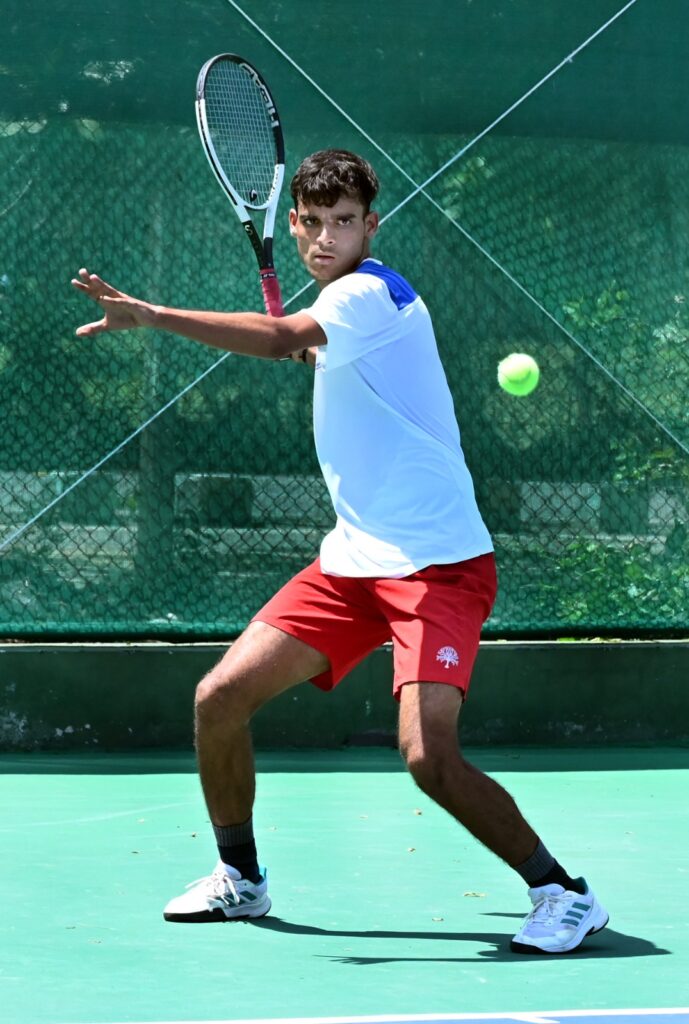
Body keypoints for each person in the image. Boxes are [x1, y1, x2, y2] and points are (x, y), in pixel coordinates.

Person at [72, 148, 608, 954]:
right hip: (353, 563)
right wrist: (304, 346)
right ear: (292, 225)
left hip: (437, 566)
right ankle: (240, 879)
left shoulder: (367, 292)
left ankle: (563, 893)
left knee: (428, 757)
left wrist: (152, 314)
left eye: (345, 222)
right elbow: (308, 345)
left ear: (370, 225)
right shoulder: (341, 309)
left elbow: (281, 334)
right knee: (219, 699)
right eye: (315, 223)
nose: (328, 237)